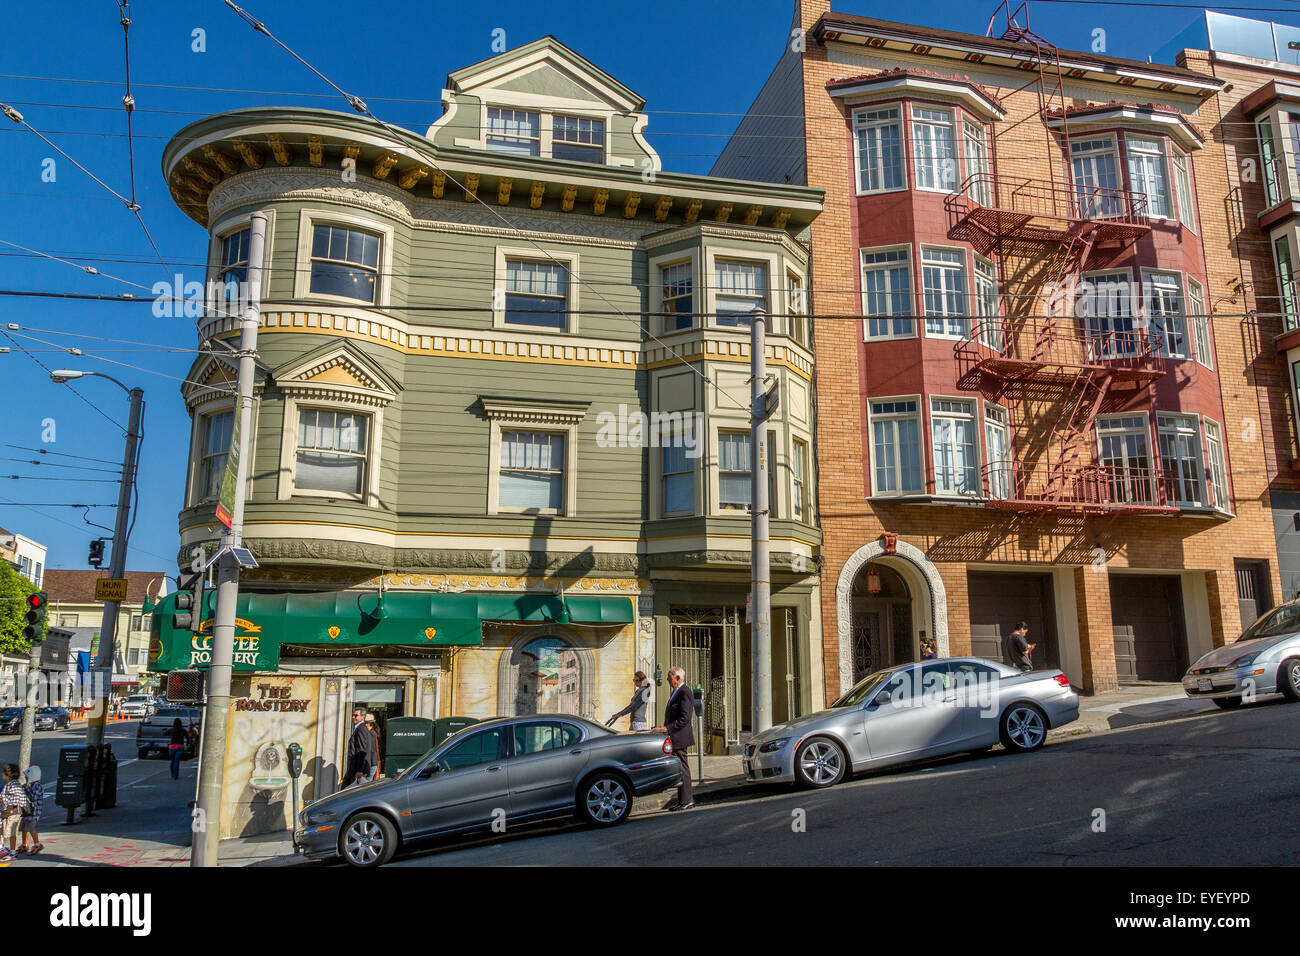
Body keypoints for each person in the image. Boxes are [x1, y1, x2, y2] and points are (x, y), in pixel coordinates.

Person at [653, 666, 695, 811]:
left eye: (669, 676)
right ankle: (683, 800)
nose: (667, 679)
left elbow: (685, 718)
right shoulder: (676, 692)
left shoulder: (685, 692)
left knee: (683, 768)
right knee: (680, 768)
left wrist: (667, 728)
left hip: (680, 737)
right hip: (675, 736)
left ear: (677, 677)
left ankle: (687, 800)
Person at [0, 763, 28, 860]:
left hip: (10, 812)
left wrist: (6, 811)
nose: (2, 774)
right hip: (15, 812)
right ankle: (12, 851)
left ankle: (3, 851)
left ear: (8, 774)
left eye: (3, 772)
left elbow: (11, 800)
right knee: (12, 833)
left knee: (4, 832)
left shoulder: (12, 785)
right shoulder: (14, 784)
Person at [341, 708, 373, 789]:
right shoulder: (359, 728)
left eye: (356, 715)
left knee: (346, 793)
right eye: (352, 715)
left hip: (357, 770)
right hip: (355, 769)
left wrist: (359, 770)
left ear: (363, 717)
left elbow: (362, 750)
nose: (353, 717)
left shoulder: (361, 729)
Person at [18, 765, 42, 855]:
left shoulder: (38, 786)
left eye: (27, 777)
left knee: (31, 828)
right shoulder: (31, 785)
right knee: (24, 827)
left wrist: (27, 788)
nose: (26, 779)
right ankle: (24, 844)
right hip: (27, 811)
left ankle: (37, 844)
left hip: (34, 812)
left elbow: (33, 797)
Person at [365, 713, 382, 781]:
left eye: (365, 722)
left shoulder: (371, 734)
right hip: (372, 763)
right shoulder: (374, 733)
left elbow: (370, 750)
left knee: (365, 786)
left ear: (368, 723)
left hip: (371, 764)